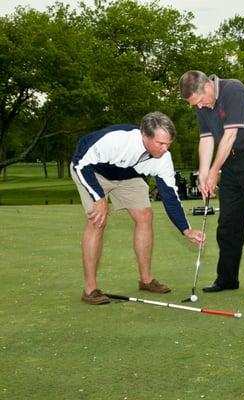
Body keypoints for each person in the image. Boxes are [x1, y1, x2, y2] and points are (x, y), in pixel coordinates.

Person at [71, 111, 205, 305]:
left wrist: (186, 229)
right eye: (160, 143)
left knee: (145, 215)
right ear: (144, 135)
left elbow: (170, 196)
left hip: (129, 176)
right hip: (92, 171)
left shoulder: (163, 158)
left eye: (169, 143)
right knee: (98, 220)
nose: (165, 149)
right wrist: (99, 197)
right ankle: (90, 289)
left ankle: (146, 280)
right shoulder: (116, 140)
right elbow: (80, 162)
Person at [179, 70, 244, 300]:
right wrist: (203, 174)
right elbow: (206, 139)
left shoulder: (233, 89)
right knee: (228, 225)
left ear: (206, 87)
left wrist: (214, 171)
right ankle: (227, 278)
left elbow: (230, 135)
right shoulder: (202, 106)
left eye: (197, 102)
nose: (197, 107)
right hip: (231, 163)